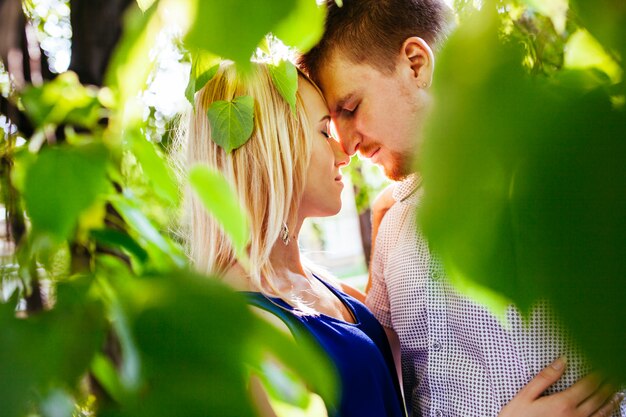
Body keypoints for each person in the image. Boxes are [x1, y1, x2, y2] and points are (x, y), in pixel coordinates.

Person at [299, 1, 625, 416]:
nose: (345, 145)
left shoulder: (560, 180)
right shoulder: (393, 225)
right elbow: (390, 383)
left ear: (415, 65)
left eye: (350, 108)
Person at [182, 61, 406, 417]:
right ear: (274, 149)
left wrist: (386, 227)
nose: (343, 153)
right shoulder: (254, 335)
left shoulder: (313, 280)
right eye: (323, 132)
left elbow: (385, 364)